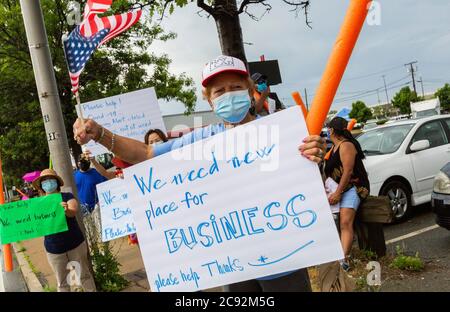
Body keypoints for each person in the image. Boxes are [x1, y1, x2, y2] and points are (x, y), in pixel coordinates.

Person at [73, 55, 327, 292]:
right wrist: (101, 134)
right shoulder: (202, 140)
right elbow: (145, 153)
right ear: (210, 100)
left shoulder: (281, 132)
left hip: (286, 261)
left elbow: (309, 168)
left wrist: (313, 152)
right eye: (219, 91)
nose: (228, 95)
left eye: (235, 87)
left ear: (249, 91)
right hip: (233, 266)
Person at [32, 169, 96, 292]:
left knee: (84, 276)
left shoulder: (67, 197)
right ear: (41, 186)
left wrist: (66, 210)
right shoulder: (38, 204)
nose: (48, 183)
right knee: (62, 283)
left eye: (50, 179)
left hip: (75, 244)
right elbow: (35, 223)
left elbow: (73, 211)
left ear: (57, 181)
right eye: (44, 181)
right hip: (54, 249)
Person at [324, 117, 370, 271]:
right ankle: (336, 255)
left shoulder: (346, 145)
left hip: (355, 187)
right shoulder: (333, 148)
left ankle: (344, 259)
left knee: (345, 222)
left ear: (331, 130)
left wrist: (338, 192)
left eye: (328, 129)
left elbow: (348, 171)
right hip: (339, 189)